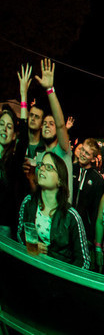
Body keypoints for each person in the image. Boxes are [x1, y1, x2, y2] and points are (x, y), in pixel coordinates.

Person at [18, 151, 90, 268]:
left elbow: (84, 261)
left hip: (58, 278)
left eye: (49, 167)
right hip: (31, 269)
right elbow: (19, 235)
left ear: (60, 180)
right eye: (41, 165)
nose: (42, 169)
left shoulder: (71, 216)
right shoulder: (29, 203)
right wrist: (29, 246)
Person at [33, 59, 74, 201]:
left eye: (51, 124)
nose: (46, 125)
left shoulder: (63, 150)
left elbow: (61, 125)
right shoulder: (39, 156)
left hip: (61, 218)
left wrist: (50, 90)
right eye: (44, 123)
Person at [0, 65, 33, 238]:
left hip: (3, 229)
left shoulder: (12, 162)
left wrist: (23, 95)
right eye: (1, 124)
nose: (4, 129)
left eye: (9, 126)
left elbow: (25, 139)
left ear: (14, 136)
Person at [71, 137, 104, 252]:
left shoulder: (97, 179)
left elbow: (96, 210)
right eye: (82, 150)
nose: (83, 154)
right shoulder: (70, 169)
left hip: (84, 231)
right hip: (66, 224)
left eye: (87, 153)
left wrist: (93, 238)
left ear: (93, 158)